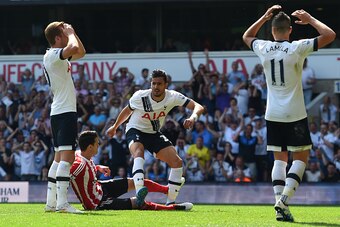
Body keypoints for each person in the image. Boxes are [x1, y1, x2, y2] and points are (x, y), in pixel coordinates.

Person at [243, 5, 335, 222]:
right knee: (301, 157)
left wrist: (264, 18)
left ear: (272, 30)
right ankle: (283, 200)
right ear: (290, 30)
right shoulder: (297, 48)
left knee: (280, 159)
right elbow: (329, 35)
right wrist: (310, 19)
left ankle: (279, 203)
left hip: (272, 113)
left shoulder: (263, 47)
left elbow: (247, 35)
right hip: (294, 113)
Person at [106, 69, 204, 206]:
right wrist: (115, 126)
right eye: (153, 83)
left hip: (153, 133)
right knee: (138, 152)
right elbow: (127, 111)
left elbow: (198, 106)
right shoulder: (140, 96)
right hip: (135, 129)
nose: (156, 87)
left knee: (177, 162)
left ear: (166, 85)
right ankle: (140, 192)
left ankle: (171, 202)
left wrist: (193, 117)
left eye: (159, 84)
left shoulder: (173, 96)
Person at [71, 131, 193, 211]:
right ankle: (172, 208)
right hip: (97, 202)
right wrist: (59, 202)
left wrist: (97, 167)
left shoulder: (80, 154)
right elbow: (67, 175)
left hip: (100, 188)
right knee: (137, 203)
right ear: (90, 147)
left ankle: (167, 190)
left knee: (135, 182)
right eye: (97, 143)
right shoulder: (79, 165)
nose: (99, 144)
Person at [43, 21, 86, 213]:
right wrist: (71, 32)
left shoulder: (55, 57)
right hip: (65, 112)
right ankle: (62, 204)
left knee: (58, 158)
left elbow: (81, 52)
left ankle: (51, 203)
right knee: (67, 159)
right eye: (63, 33)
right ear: (57, 38)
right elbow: (74, 47)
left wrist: (71, 33)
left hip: (59, 111)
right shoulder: (53, 55)